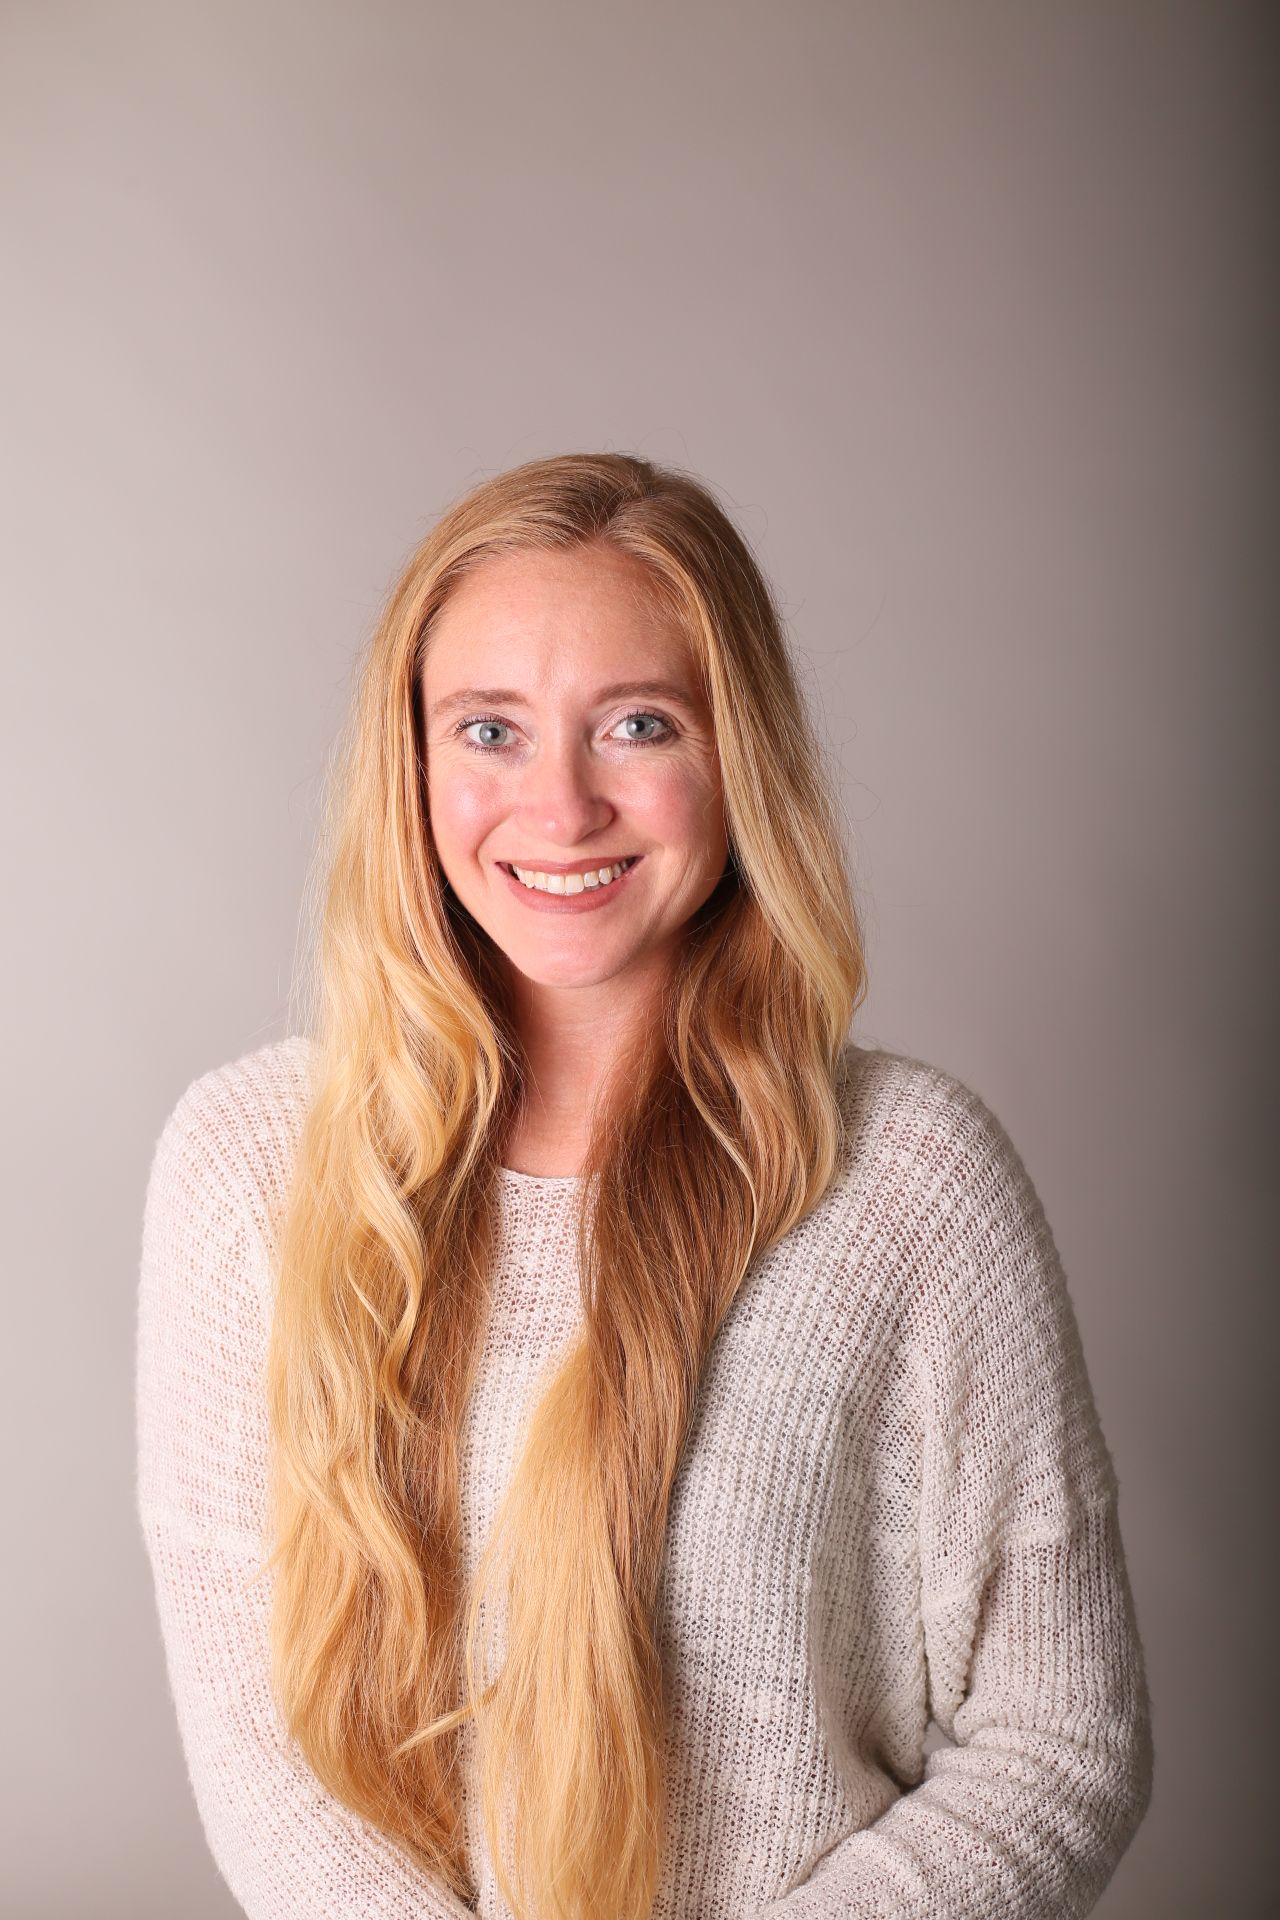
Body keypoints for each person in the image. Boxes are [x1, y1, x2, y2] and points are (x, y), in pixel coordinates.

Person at [135, 452, 1153, 1920]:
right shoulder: (248, 1170)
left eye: (637, 725)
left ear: (738, 760)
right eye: (489, 729)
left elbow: (1059, 1747)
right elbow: (263, 1748)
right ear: (409, 766)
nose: (561, 807)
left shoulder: (915, 1186)